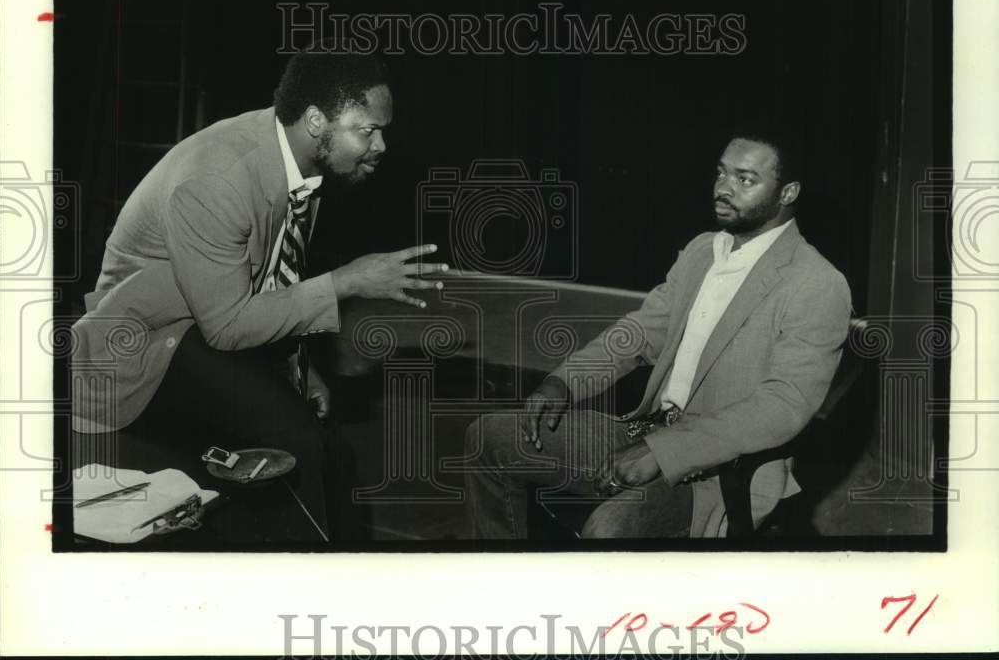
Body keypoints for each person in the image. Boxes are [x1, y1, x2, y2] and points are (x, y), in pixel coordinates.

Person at [70, 49, 449, 542]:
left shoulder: (296, 160)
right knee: (298, 446)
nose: (381, 145)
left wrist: (300, 366)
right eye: (368, 130)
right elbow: (227, 327)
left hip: (199, 327)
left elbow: (271, 277)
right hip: (138, 347)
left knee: (337, 454)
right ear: (316, 121)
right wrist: (347, 281)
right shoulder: (217, 180)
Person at [464, 130, 852, 539]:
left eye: (745, 179)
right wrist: (564, 383)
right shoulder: (704, 250)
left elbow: (783, 406)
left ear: (788, 193)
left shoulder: (817, 283)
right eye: (721, 173)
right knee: (488, 440)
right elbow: (641, 332)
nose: (723, 188)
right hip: (646, 429)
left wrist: (665, 452)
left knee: (608, 531)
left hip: (722, 470)